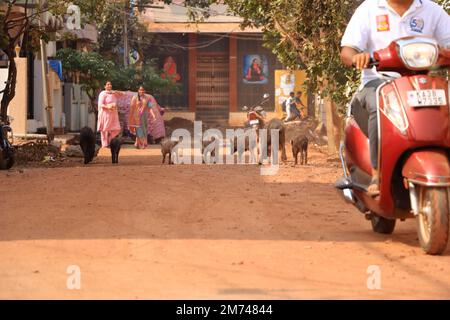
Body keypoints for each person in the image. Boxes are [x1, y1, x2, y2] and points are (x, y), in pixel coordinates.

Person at [340, 0, 450, 196]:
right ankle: (377, 173)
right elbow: (347, 51)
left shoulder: (433, 11)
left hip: (424, 84)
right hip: (379, 82)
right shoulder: (369, 9)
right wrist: (358, 57)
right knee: (378, 104)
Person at [97, 81, 123, 148]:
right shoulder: (103, 93)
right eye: (107, 84)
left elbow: (123, 94)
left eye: (110, 84)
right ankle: (104, 145)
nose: (109, 85)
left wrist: (115, 91)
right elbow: (100, 104)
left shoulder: (113, 93)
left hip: (113, 114)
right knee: (105, 129)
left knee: (117, 129)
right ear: (104, 86)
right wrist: (108, 106)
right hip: (105, 113)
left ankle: (109, 141)